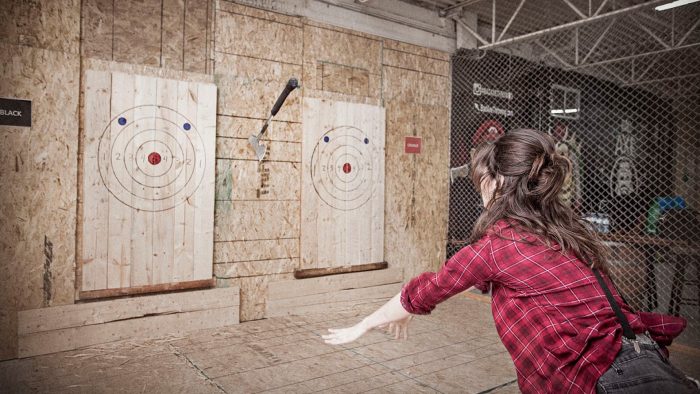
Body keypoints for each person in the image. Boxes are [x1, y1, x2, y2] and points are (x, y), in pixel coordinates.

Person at [322, 129, 698, 393]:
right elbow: (480, 278)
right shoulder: (565, 227)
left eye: (483, 179)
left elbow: (431, 288)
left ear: (500, 182)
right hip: (643, 358)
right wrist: (405, 309)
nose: (480, 189)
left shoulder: (500, 242)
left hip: (601, 379)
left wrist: (367, 323)